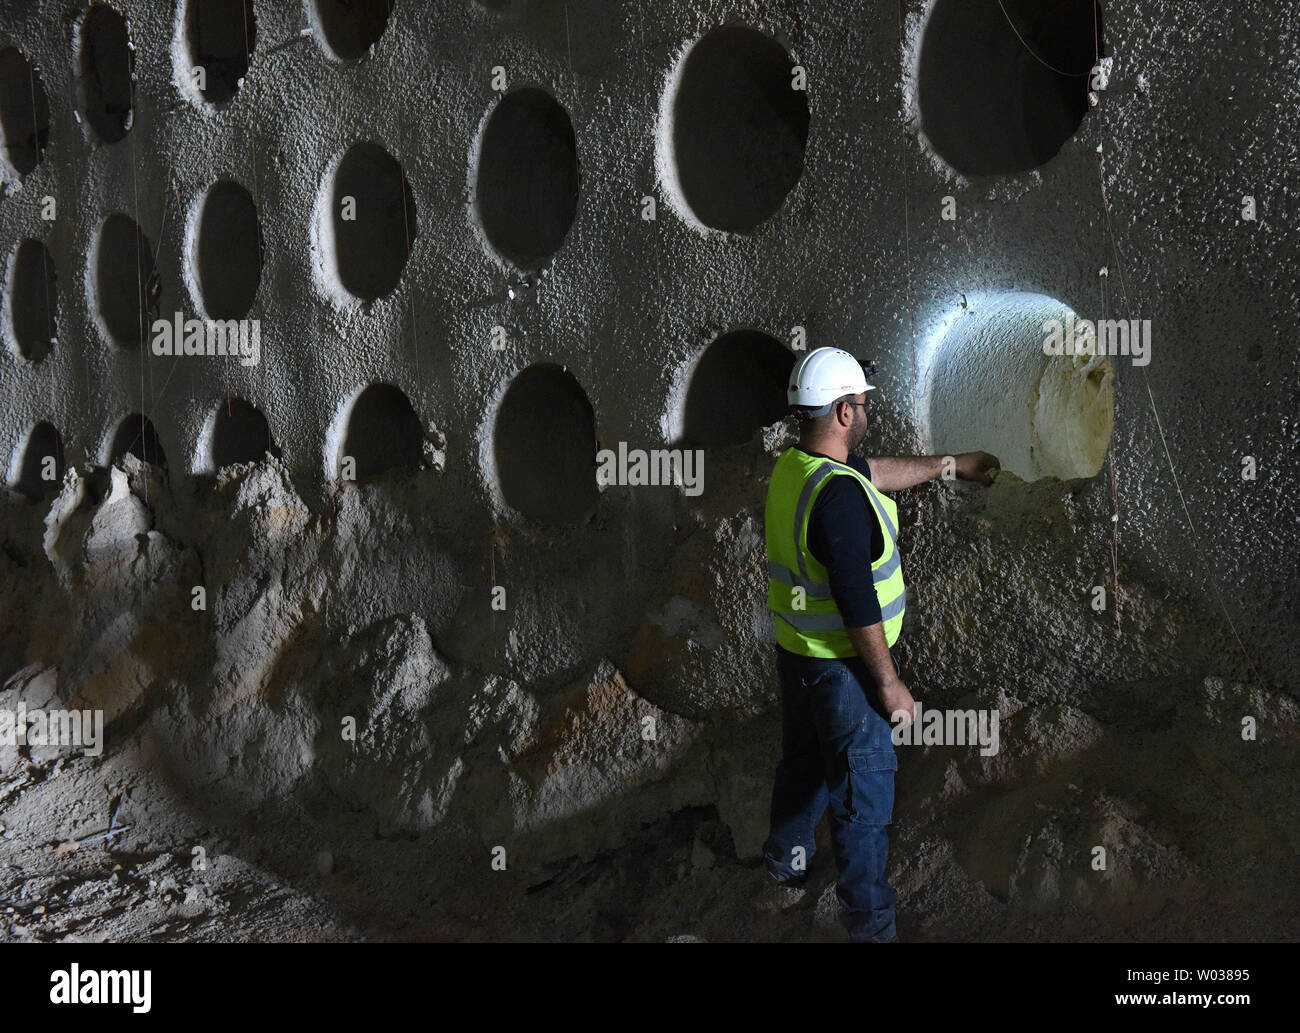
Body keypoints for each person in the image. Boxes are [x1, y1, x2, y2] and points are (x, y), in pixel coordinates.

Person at [762, 346, 999, 942]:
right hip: (846, 673)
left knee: (804, 764)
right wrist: (889, 685)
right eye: (862, 405)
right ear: (843, 412)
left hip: (801, 658)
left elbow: (873, 472)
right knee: (863, 802)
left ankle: (782, 867)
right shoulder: (838, 498)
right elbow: (855, 600)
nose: (866, 413)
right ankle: (871, 930)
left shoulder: (800, 468)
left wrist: (952, 464)